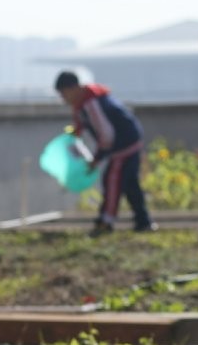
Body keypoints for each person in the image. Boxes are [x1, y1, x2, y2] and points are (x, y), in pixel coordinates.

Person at [54, 70, 153, 235]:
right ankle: (143, 221)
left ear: (74, 88)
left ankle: (105, 222)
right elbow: (82, 126)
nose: (63, 98)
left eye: (64, 93)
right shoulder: (85, 102)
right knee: (130, 185)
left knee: (112, 181)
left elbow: (107, 136)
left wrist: (96, 159)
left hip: (123, 146)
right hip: (130, 143)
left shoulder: (91, 104)